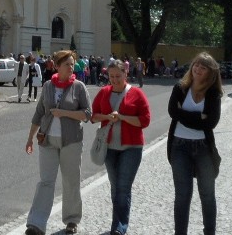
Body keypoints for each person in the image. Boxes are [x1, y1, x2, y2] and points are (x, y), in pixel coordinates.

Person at [25, 50, 92, 235]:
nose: (72, 68)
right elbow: (39, 113)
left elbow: (87, 114)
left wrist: (65, 113)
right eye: (67, 64)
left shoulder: (79, 87)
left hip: (71, 141)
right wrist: (30, 138)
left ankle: (71, 220)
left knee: (71, 181)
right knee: (46, 182)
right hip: (47, 140)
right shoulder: (47, 86)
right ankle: (36, 224)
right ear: (57, 66)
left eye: (73, 64)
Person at [91, 59, 151, 235]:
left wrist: (122, 117)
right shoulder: (104, 93)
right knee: (115, 187)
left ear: (126, 74)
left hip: (131, 147)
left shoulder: (137, 94)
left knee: (123, 187)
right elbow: (93, 116)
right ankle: (118, 223)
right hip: (109, 147)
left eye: (118, 76)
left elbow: (145, 120)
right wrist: (107, 117)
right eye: (111, 76)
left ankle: (118, 228)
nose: (115, 79)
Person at [167, 52, 223, 235]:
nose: (198, 69)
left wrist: (184, 114)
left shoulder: (213, 93)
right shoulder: (180, 88)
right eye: (196, 65)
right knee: (182, 196)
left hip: (203, 148)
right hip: (179, 147)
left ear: (210, 73)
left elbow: (210, 123)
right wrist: (198, 118)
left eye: (203, 67)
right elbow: (172, 112)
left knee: (207, 195)